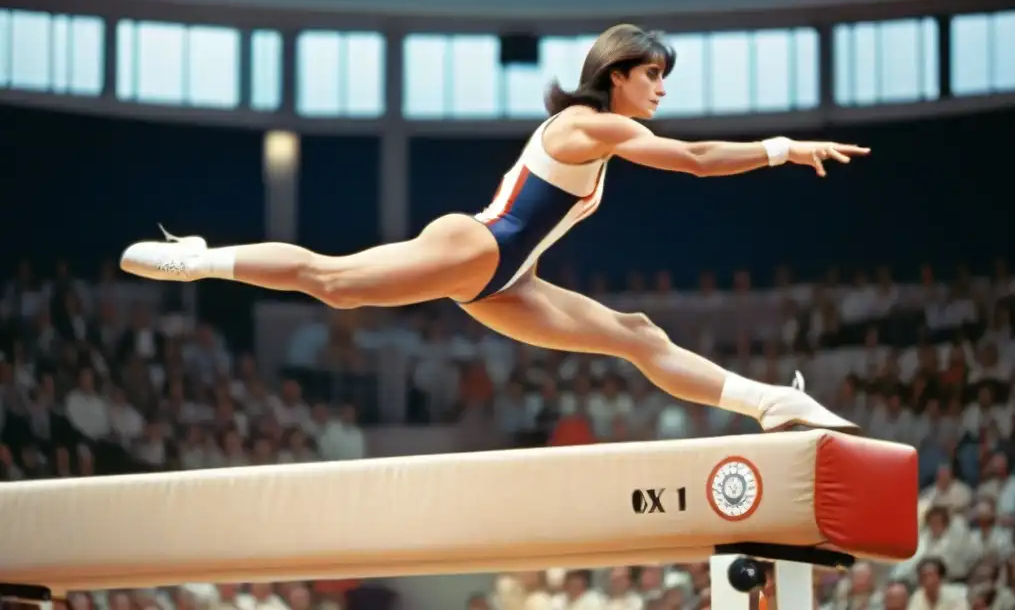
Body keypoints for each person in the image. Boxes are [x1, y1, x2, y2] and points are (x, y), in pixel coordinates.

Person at [121, 23, 870, 433]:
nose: (662, 88)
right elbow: (699, 161)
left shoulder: (605, 131)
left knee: (638, 335)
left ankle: (773, 403)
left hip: (510, 279)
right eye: (652, 76)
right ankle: (204, 258)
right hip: (474, 245)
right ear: (617, 75)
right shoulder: (589, 124)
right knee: (335, 283)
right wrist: (782, 149)